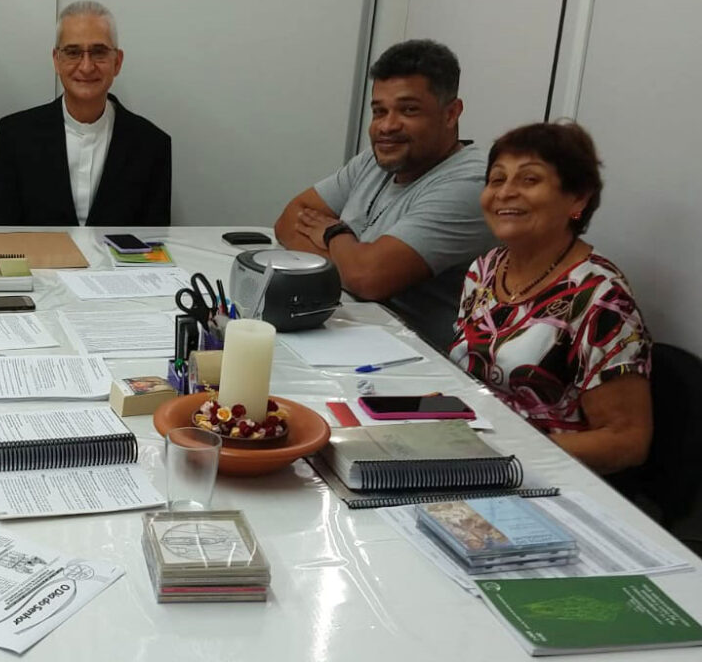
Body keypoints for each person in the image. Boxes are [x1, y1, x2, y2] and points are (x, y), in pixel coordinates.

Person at [450, 122, 652, 474]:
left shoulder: (600, 296)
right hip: (470, 449)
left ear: (578, 198)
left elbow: (627, 441)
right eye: (497, 179)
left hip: (543, 476)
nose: (505, 193)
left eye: (529, 180)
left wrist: (504, 451)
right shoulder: (485, 269)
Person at [273, 39, 494, 348]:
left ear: (451, 113)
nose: (387, 126)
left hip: (417, 360)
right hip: (345, 330)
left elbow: (368, 278)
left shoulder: (473, 182)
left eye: (408, 110)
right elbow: (288, 219)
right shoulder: (379, 158)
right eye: (379, 111)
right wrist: (351, 265)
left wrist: (334, 232)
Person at [0, 0, 172, 226]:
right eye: (73, 53)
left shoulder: (152, 145)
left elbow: (154, 245)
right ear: (56, 60)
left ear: (117, 62)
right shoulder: (15, 136)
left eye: (99, 52)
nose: (86, 66)